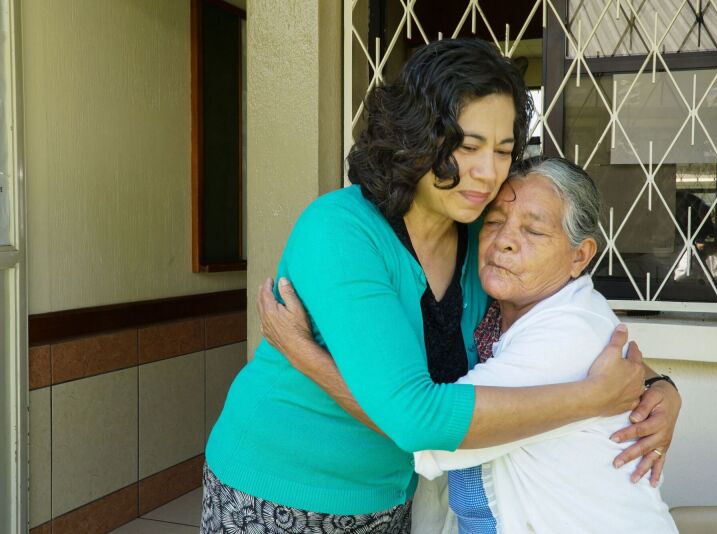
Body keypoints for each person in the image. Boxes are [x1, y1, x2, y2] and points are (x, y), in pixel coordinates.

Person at [204, 39, 680, 534]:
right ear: (415, 137)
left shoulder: (483, 232)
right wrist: (592, 399)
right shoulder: (341, 232)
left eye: (502, 151)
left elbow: (571, 335)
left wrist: (658, 386)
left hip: (390, 496)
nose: (488, 171)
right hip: (280, 487)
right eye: (467, 146)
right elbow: (415, 418)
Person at [412, 157, 678, 532]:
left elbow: (432, 432)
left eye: (534, 232)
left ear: (579, 256)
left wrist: (307, 359)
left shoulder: (571, 332)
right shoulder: (490, 314)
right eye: (493, 222)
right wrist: (663, 383)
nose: (503, 241)